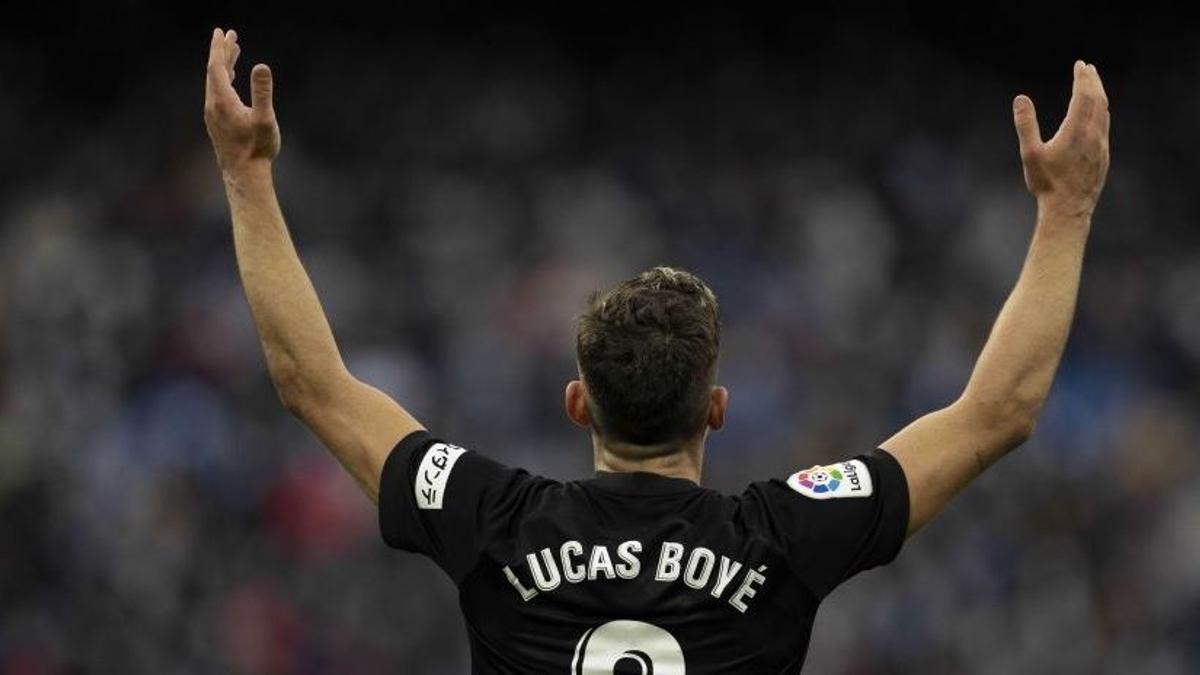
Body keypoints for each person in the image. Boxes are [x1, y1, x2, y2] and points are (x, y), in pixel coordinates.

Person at [203, 27, 1109, 673]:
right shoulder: (783, 538)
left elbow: (309, 381)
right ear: (717, 407)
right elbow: (999, 412)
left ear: (577, 401)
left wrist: (246, 176)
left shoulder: (493, 521)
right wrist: (1065, 210)